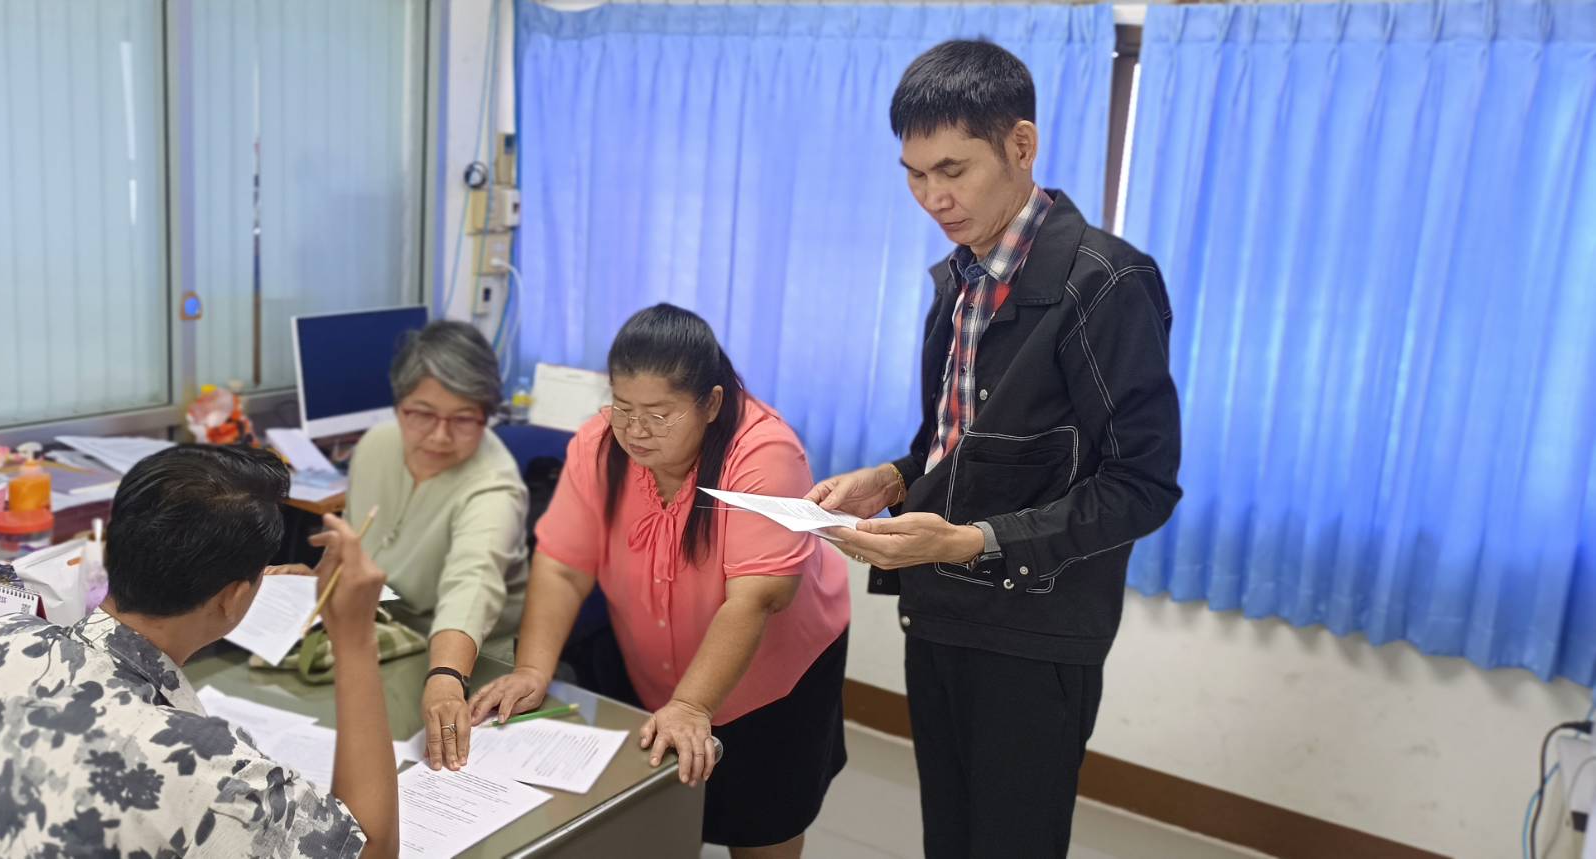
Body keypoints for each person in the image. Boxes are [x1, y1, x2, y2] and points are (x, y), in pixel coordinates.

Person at [806, 40, 1182, 858]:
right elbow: (953, 444)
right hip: (939, 607)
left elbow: (1141, 485)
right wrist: (891, 479)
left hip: (1036, 627)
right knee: (949, 834)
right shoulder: (959, 278)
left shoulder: (1104, 283)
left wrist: (971, 540)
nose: (932, 197)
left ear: (1020, 144)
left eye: (953, 169)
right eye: (914, 175)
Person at [470, 304, 851, 859]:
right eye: (623, 407)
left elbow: (757, 598)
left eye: (659, 414)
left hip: (770, 677)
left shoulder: (764, 453)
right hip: (652, 663)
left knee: (762, 825)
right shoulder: (599, 444)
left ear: (711, 403)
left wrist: (692, 705)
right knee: (661, 820)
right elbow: (562, 565)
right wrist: (532, 668)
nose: (635, 431)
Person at [0, 446, 399, 859]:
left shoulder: (1, 641)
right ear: (234, 597)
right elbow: (371, 848)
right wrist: (354, 637)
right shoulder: (203, 765)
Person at [324, 319, 529, 775]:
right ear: (399, 407)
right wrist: (317, 578)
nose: (439, 436)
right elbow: (356, 545)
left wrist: (446, 677)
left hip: (474, 662)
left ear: (487, 416)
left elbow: (472, 583)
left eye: (463, 419)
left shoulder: (495, 488)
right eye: (422, 414)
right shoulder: (377, 445)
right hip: (387, 641)